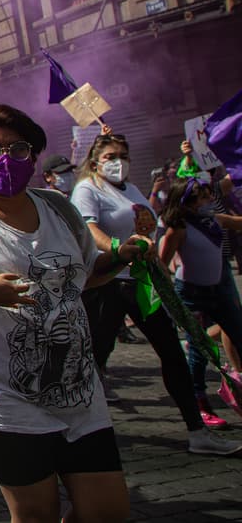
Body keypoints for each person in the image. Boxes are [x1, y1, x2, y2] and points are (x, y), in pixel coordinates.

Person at [0, 104, 147, 523]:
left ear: (34, 156)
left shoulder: (60, 208)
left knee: (107, 510)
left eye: (19, 148)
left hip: (77, 389)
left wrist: (121, 258)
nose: (7, 158)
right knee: (37, 513)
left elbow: (85, 275)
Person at [69, 132, 236, 452]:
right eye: (111, 156)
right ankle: (80, 433)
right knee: (94, 359)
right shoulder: (87, 190)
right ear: (95, 161)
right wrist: (119, 249)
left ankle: (197, 432)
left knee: (172, 352)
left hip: (143, 281)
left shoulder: (131, 189)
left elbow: (146, 225)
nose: (119, 162)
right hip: (108, 283)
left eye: (123, 155)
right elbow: (89, 230)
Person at [160, 174, 242, 441]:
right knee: (198, 350)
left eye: (208, 195)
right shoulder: (179, 228)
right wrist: (167, 298)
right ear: (187, 201)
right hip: (192, 294)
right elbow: (163, 263)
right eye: (203, 196)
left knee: (238, 334)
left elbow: (237, 223)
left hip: (218, 290)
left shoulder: (214, 221)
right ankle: (200, 401)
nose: (209, 200)